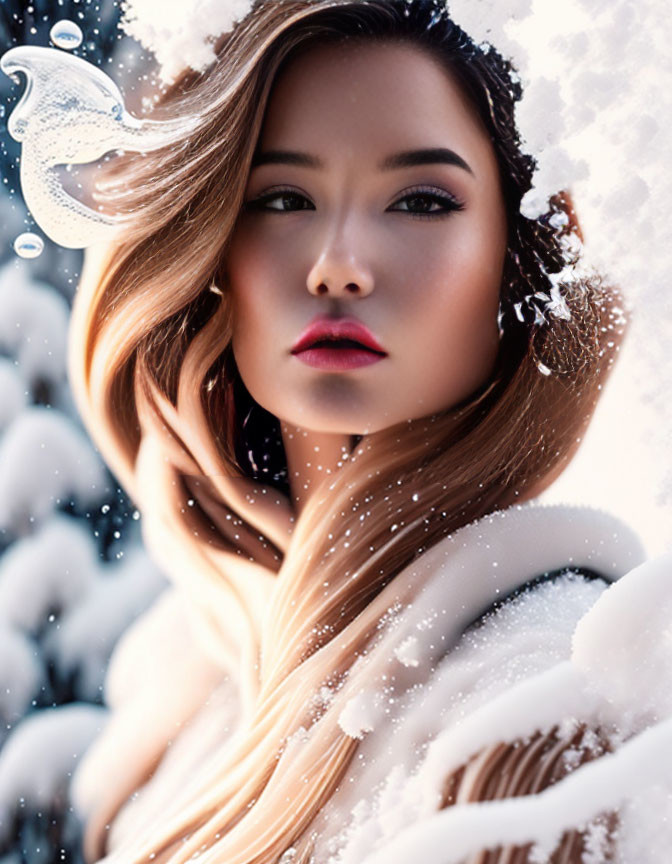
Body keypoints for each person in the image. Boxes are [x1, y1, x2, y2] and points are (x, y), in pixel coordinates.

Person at [65, 1, 667, 862]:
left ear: (518, 258)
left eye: (421, 201)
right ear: (208, 249)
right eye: (282, 197)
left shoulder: (542, 704)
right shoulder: (200, 693)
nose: (338, 265)